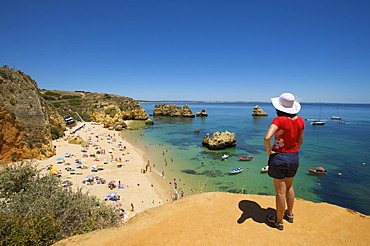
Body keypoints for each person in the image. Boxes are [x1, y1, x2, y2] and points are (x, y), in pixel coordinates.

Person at [264, 93, 305, 230]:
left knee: (280, 192)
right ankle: (290, 214)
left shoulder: (279, 120)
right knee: (289, 187)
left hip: (279, 158)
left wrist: (269, 152)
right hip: (294, 157)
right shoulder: (300, 120)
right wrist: (293, 151)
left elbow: (267, 137)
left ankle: (279, 221)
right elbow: (300, 140)